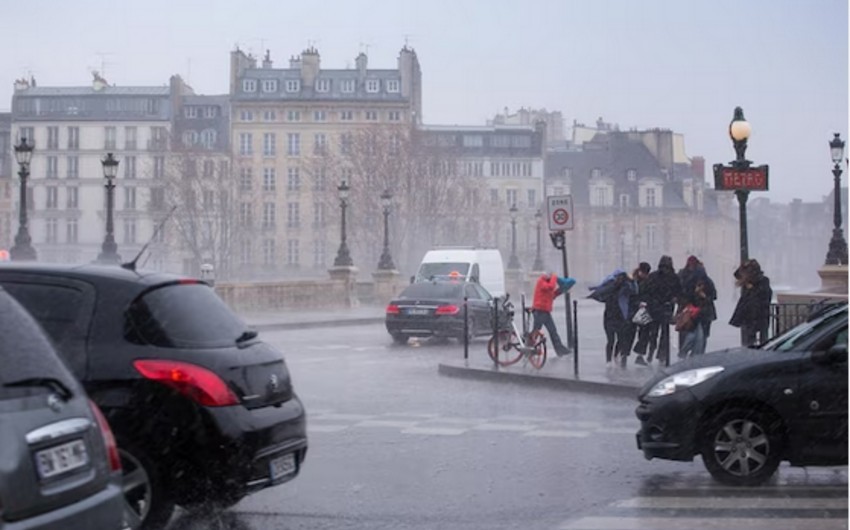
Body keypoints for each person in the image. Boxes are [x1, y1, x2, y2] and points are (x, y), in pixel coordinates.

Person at [633, 255, 681, 364]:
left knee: (650, 332)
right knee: (664, 334)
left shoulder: (653, 276)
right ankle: (661, 356)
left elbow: (643, 290)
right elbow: (678, 293)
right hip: (666, 308)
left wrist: (648, 301)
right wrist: (674, 299)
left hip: (653, 308)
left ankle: (646, 354)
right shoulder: (674, 277)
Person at [590, 269, 637, 368]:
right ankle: (608, 361)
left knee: (620, 339)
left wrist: (632, 281)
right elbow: (600, 292)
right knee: (610, 340)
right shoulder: (610, 287)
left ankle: (616, 355)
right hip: (609, 316)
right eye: (618, 277)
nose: (619, 279)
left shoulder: (626, 287)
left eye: (621, 277)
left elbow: (635, 291)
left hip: (620, 316)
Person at [677, 256, 717, 353]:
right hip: (697, 312)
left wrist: (703, 296)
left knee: (692, 335)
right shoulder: (703, 280)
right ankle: (695, 355)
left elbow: (713, 295)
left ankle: (687, 354)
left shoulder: (684, 277)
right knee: (698, 336)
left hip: (694, 311)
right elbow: (713, 296)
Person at [729, 259, 772, 346]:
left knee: (762, 341)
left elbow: (761, 297)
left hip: (759, 315)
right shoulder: (748, 283)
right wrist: (743, 265)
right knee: (749, 341)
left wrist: (752, 289)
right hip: (749, 316)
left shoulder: (763, 281)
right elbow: (736, 274)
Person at [531, 273, 574, 356]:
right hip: (539, 311)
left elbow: (552, 295)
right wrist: (554, 277)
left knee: (552, 331)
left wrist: (562, 290)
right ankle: (529, 348)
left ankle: (560, 349)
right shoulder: (541, 281)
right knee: (535, 331)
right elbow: (550, 287)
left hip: (545, 311)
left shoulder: (547, 284)